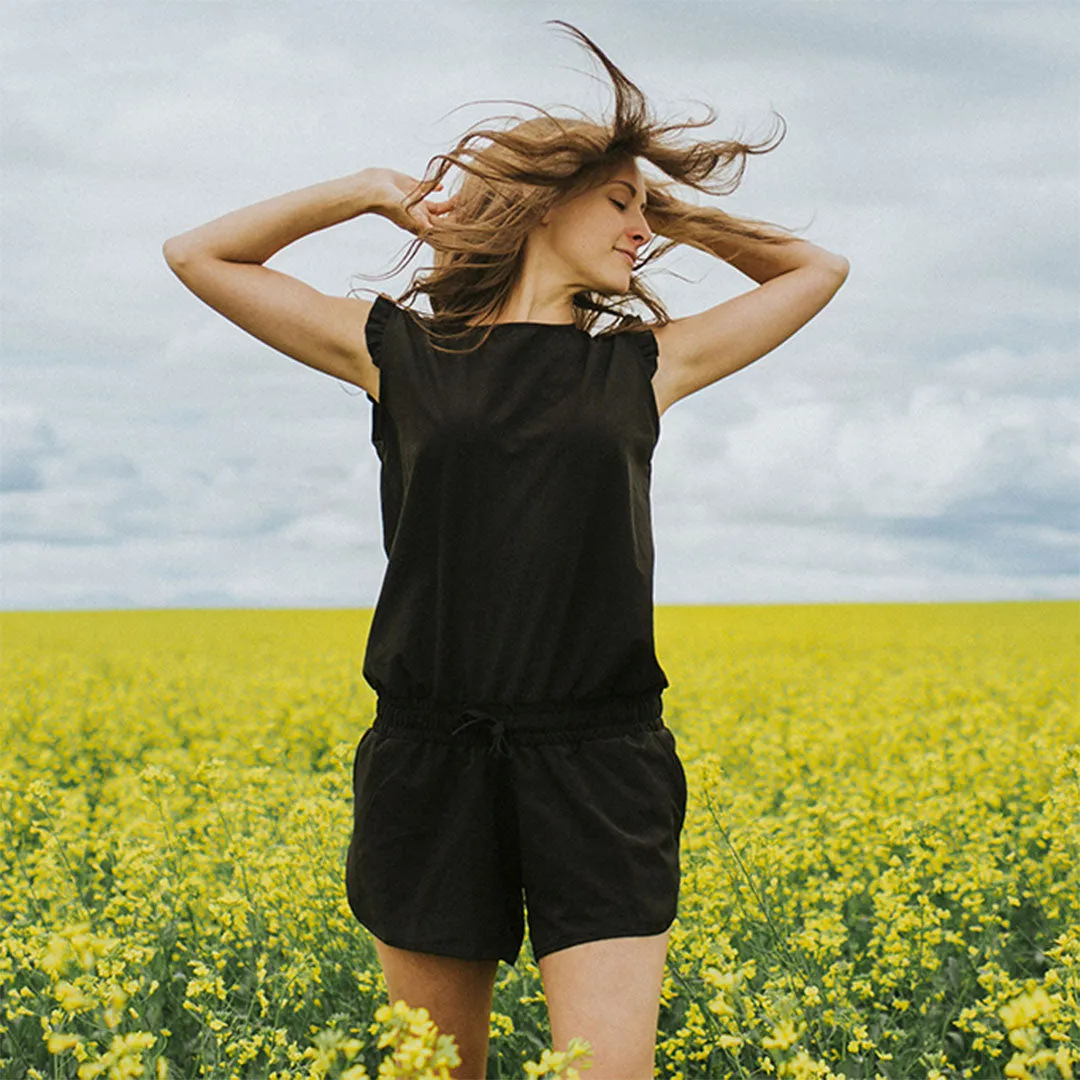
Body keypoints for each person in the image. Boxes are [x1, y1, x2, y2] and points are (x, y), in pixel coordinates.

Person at [163, 21, 848, 1080]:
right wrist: (362, 189)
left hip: (600, 756)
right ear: (543, 201)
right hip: (433, 753)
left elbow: (816, 267)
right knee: (439, 1073)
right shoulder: (397, 351)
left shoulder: (643, 365)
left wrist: (667, 205)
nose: (640, 231)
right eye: (618, 203)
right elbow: (198, 254)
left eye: (642, 211)